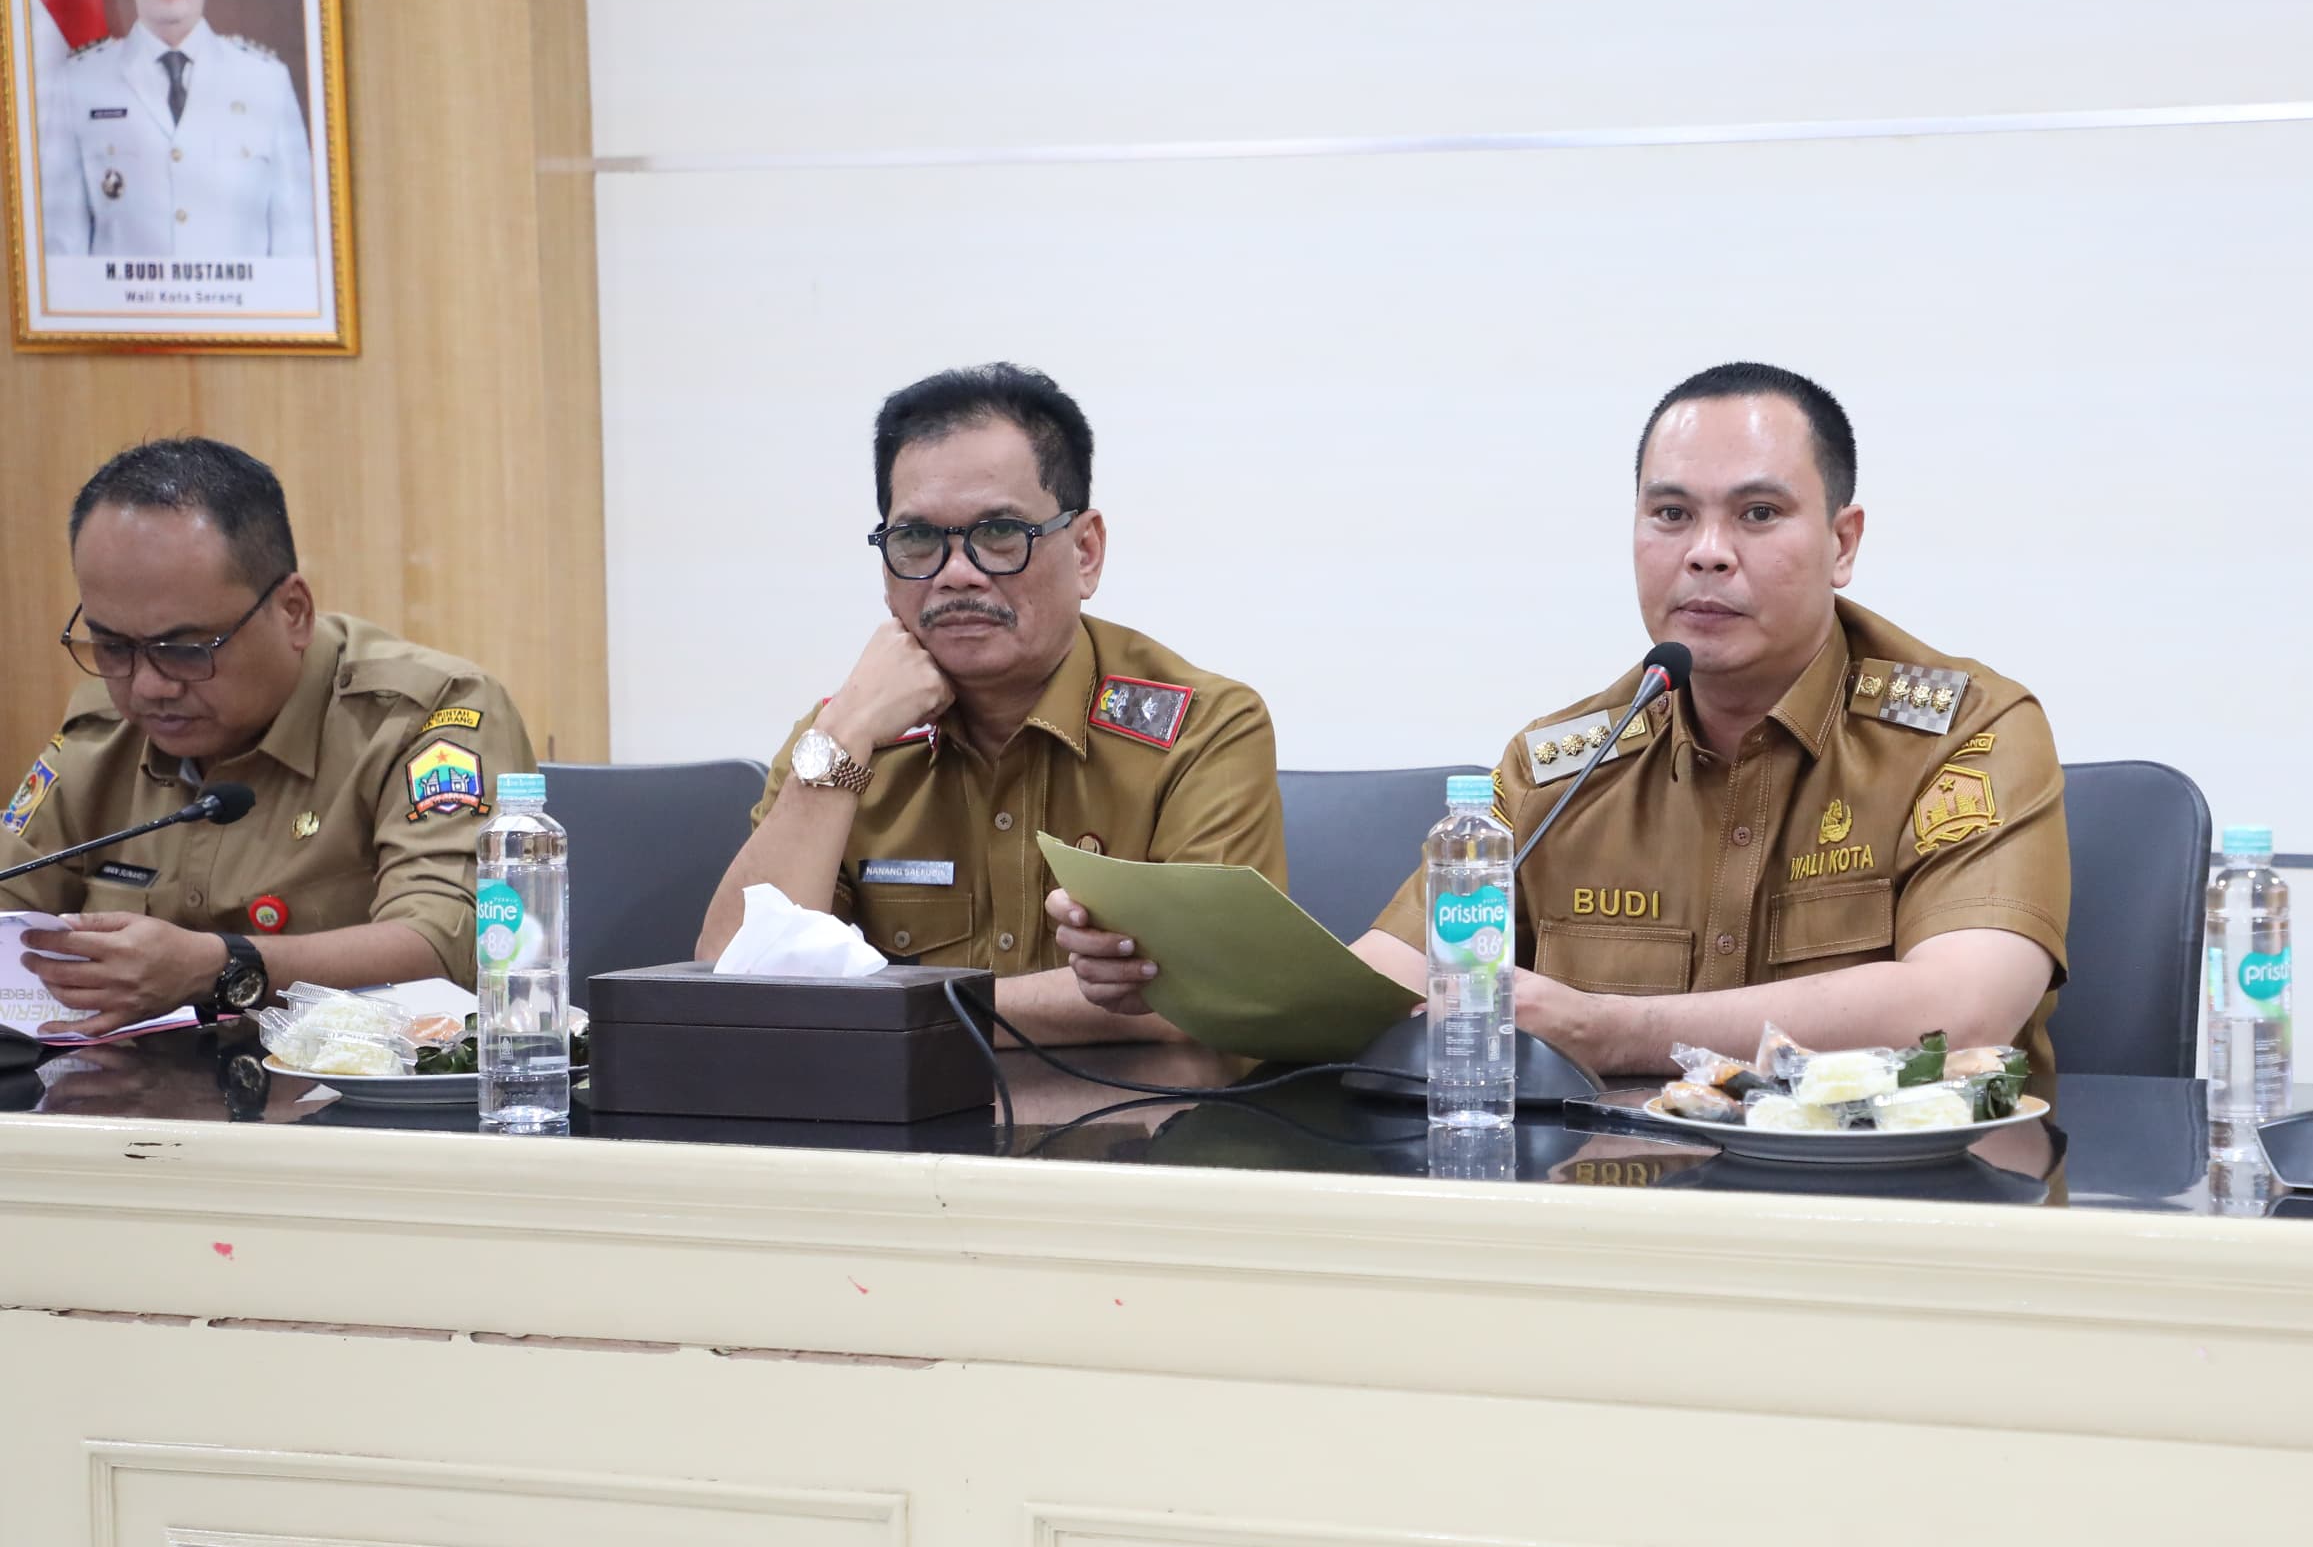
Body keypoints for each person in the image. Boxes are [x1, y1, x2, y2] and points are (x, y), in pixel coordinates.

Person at [1054, 361, 2070, 1073]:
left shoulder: (1970, 733)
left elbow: (1962, 1006)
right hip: (1614, 1224)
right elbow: (1391, 986)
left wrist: (1612, 1028)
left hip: (1897, 1226)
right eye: (1671, 514)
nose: (1707, 551)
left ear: (1843, 542)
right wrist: (1182, 982)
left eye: (1758, 514)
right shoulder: (1557, 770)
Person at [701, 363, 1284, 1044]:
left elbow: (1207, 1002)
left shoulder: (1203, 730)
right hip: (891, 1143)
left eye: (1000, 532)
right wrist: (846, 736)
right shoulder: (841, 741)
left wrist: (895, 1016)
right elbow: (732, 981)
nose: (956, 573)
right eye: (917, 539)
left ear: (1086, 551)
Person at [1, 438, 535, 1035]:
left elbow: (451, 947)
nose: (148, 686)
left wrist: (221, 967)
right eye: (113, 646)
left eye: (184, 649)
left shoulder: (426, 714)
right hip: (127, 1107)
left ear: (293, 612)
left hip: (360, 1107)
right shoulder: (102, 729)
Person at [38, 0, 316, 259]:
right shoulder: (77, 85)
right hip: (120, 324)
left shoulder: (265, 83)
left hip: (243, 324)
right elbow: (61, 257)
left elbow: (299, 252)